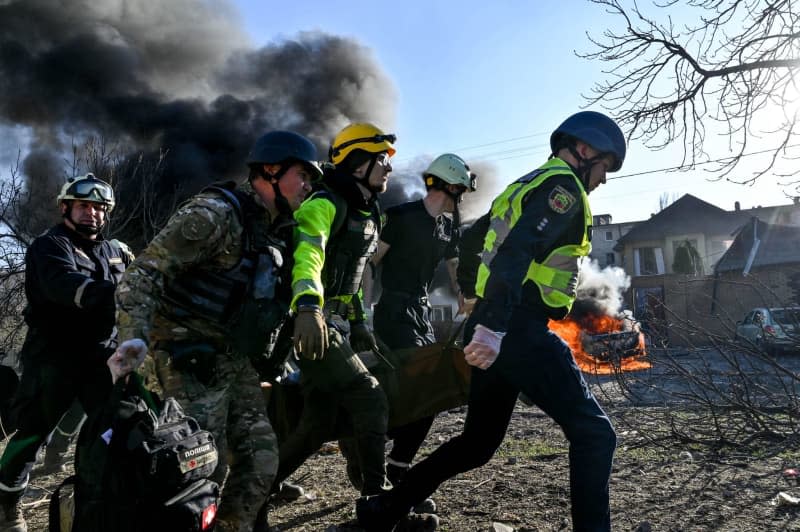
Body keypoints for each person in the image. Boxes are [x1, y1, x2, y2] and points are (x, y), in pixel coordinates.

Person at [356, 111, 625, 532]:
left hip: (498, 326)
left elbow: (474, 239)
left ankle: (382, 511)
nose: (603, 179)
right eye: (605, 166)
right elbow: (516, 252)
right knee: (595, 435)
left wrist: (475, 302)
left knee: (477, 444)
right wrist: (493, 324)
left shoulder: (525, 184)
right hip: (517, 328)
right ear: (584, 150)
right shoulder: (563, 189)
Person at [115, 130, 322, 532]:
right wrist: (133, 339)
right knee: (195, 471)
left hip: (230, 359)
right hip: (182, 356)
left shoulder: (273, 229)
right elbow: (142, 275)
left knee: (261, 461)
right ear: (272, 171)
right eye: (304, 176)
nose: (309, 187)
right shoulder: (214, 215)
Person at [269, 123, 395, 500]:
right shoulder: (323, 204)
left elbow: (350, 275)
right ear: (358, 164)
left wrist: (358, 321)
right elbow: (308, 255)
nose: (389, 168)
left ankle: (262, 487)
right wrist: (308, 307)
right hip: (311, 323)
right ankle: (379, 502)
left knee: (316, 425)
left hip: (335, 323)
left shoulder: (368, 213)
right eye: (381, 160)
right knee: (370, 397)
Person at [0, 173, 132, 532]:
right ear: (65, 208)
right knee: (31, 437)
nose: (92, 214)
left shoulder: (112, 250)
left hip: (100, 359)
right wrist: (120, 293)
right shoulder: (50, 246)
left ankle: (100, 503)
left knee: (115, 430)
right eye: (83, 206)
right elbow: (68, 288)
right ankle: (7, 506)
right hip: (54, 359)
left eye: (99, 208)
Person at [369, 154, 474, 493]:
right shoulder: (399, 217)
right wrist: (364, 309)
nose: (462, 200)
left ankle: (398, 465)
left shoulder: (448, 228)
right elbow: (370, 263)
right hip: (392, 311)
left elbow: (456, 265)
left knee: (430, 390)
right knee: (414, 385)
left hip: (422, 313)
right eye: (462, 191)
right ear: (451, 186)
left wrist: (465, 297)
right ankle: (372, 446)